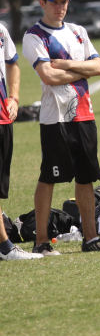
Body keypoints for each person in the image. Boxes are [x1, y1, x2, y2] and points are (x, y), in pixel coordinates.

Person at [23, 0, 100, 254]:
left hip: (84, 114)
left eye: (64, 2)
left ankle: (91, 239)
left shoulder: (78, 31)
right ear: (42, 3)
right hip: (56, 119)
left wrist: (66, 64)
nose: (60, 7)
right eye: (54, 2)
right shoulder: (34, 36)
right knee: (49, 177)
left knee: (86, 177)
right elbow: (48, 76)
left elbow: (99, 67)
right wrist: (82, 70)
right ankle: (41, 242)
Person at [0, 21, 41, 260]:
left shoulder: (1, 29)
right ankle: (5, 247)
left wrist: (14, 98)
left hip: (3, 118)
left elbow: (12, 64)